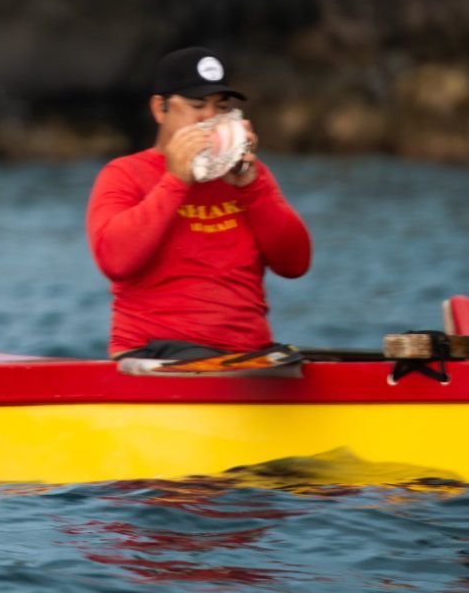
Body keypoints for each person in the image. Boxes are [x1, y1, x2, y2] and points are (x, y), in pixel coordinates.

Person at [87, 47, 312, 359]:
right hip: (154, 355)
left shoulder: (249, 177)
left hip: (244, 358)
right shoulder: (124, 174)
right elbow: (115, 260)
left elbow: (295, 264)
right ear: (160, 109)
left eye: (222, 108)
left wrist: (251, 186)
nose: (211, 118)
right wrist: (176, 181)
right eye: (197, 106)